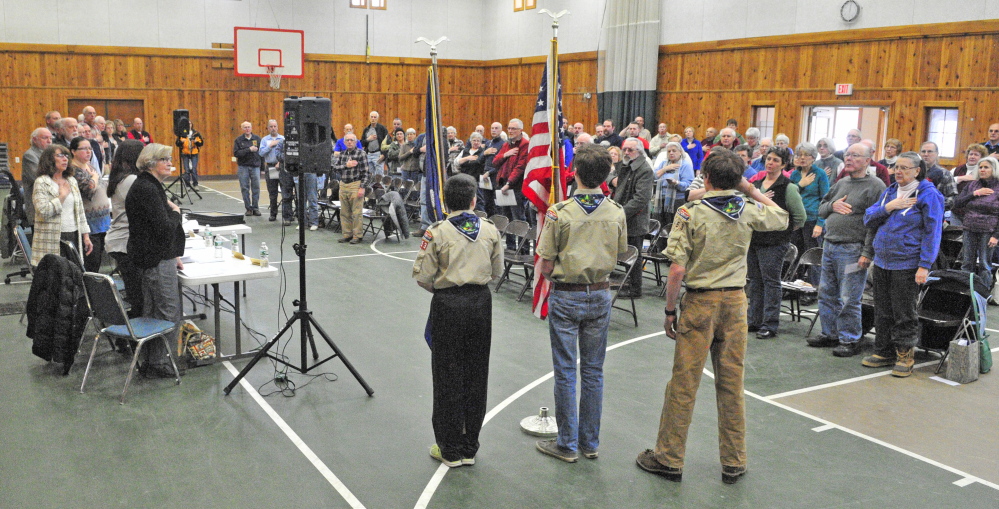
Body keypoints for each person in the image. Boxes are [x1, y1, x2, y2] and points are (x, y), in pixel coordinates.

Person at [635, 148, 788, 485]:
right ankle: (734, 461)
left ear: (705, 178)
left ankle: (669, 458)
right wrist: (750, 189)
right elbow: (781, 216)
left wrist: (669, 310)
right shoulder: (747, 208)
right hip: (735, 303)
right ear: (738, 179)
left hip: (700, 303)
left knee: (684, 382)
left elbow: (676, 270)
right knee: (732, 383)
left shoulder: (691, 212)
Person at [529, 145, 627, 463]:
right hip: (600, 293)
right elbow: (623, 251)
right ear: (607, 174)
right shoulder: (616, 211)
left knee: (566, 371)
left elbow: (544, 264)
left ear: (575, 173)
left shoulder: (561, 212)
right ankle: (589, 443)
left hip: (567, 294)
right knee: (594, 371)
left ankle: (567, 444)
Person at [412, 174, 503, 468]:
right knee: (477, 372)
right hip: (480, 303)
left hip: (448, 304)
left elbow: (424, 278)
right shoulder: (489, 230)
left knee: (447, 373)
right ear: (474, 200)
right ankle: (469, 446)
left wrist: (447, 288)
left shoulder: (437, 232)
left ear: (444, 201)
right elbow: (497, 271)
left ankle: (449, 448)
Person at [863, 151, 944, 377]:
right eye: (896, 167)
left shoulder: (928, 195)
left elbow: (933, 232)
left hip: (907, 262)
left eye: (904, 168)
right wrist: (889, 207)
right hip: (882, 261)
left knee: (904, 312)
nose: (898, 171)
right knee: (882, 310)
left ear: (917, 171)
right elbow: (868, 218)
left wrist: (924, 265)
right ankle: (883, 351)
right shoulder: (890, 192)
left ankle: (905, 354)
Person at [809, 143, 886, 356]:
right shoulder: (841, 182)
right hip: (830, 245)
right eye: (848, 155)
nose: (849, 158)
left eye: (855, 155)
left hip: (853, 250)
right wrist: (833, 206)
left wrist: (866, 253)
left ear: (869, 159)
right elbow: (822, 209)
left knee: (849, 297)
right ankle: (830, 333)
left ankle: (850, 339)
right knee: (826, 293)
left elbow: (876, 223)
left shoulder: (875, 186)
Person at [125, 144, 186, 378]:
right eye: (165, 159)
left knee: (154, 311)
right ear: (151, 163)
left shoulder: (148, 185)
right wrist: (175, 212)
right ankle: (160, 363)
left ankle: (153, 360)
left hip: (152, 257)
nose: (170, 163)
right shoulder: (147, 189)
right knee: (168, 311)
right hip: (156, 259)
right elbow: (163, 228)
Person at [746, 147, 806, 339]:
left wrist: (783, 232)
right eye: (768, 159)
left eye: (775, 160)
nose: (770, 162)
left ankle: (769, 324)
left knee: (771, 282)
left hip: (774, 243)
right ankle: (754, 320)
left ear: (783, 164)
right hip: (754, 239)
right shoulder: (755, 184)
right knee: (755, 281)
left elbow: (800, 218)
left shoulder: (788, 187)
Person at [30, 145, 92, 266]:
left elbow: (79, 211)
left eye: (66, 156)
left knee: (75, 276)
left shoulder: (71, 180)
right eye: (60, 155)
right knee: (57, 279)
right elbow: (43, 211)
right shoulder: (42, 182)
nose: (65, 159)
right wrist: (62, 197)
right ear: (49, 159)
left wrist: (86, 236)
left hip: (74, 235)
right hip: (52, 238)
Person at [105, 140, 146, 316]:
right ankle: (136, 335)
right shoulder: (131, 180)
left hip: (120, 240)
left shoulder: (121, 177)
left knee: (135, 293)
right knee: (139, 297)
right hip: (126, 242)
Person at [613, 138, 655, 298]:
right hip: (624, 216)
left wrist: (620, 213)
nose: (626, 152)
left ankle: (635, 289)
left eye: (630, 150)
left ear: (639, 152)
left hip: (635, 219)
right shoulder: (627, 166)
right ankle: (628, 283)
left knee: (635, 257)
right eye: (624, 149)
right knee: (626, 253)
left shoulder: (644, 169)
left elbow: (641, 199)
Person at [790, 142, 830, 289]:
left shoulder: (820, 174)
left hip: (813, 219)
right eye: (799, 155)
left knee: (812, 255)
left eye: (806, 155)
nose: (802, 158)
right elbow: (790, 195)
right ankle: (796, 284)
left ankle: (813, 287)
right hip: (797, 219)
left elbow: (826, 199)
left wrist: (820, 223)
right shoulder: (795, 174)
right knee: (796, 254)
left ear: (813, 157)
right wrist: (801, 184)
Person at [953, 156, 999, 285]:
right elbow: (957, 203)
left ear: (994, 169)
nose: (982, 170)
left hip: (988, 230)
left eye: (986, 167)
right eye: (980, 167)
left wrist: (996, 235)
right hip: (969, 228)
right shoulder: (972, 185)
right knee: (967, 262)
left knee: (985, 264)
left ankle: (982, 296)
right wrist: (975, 193)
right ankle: (966, 294)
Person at [69, 137, 111, 272]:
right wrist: (94, 178)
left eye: (90, 149)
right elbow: (89, 189)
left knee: (98, 258)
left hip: (102, 220)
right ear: (73, 151)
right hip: (89, 223)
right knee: (91, 262)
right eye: (84, 149)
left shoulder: (90, 166)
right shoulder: (73, 170)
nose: (88, 152)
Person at [493, 119, 530, 244]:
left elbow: (520, 167)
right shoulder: (506, 144)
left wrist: (509, 184)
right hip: (504, 185)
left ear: (521, 130)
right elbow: (495, 162)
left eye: (513, 128)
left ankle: (523, 248)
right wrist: (505, 155)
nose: (510, 131)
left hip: (516, 187)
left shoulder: (525, 144)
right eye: (509, 128)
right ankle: (510, 247)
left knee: (518, 219)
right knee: (506, 218)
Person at [331, 133, 369, 244]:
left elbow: (366, 172)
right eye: (347, 140)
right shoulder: (342, 154)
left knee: (356, 212)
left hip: (355, 184)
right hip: (343, 184)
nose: (349, 142)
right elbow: (335, 168)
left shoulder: (361, 154)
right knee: (344, 212)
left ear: (356, 142)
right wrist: (346, 166)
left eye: (351, 140)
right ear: (344, 142)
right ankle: (347, 234)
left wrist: (362, 187)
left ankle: (357, 236)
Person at [652, 141, 695, 231]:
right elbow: (652, 177)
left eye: (674, 150)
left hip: (677, 201)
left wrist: (676, 183)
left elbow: (689, 185)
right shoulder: (663, 164)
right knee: (659, 228)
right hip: (660, 200)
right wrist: (665, 169)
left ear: (680, 152)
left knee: (672, 228)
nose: (671, 153)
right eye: (669, 151)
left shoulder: (685, 165)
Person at [22, 127, 53, 230]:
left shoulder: (50, 154)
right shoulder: (30, 156)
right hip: (37, 206)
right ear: (34, 140)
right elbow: (39, 179)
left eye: (50, 138)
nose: (49, 141)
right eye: (45, 138)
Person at [259, 119, 288, 222]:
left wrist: (280, 162)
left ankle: (287, 215)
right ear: (268, 128)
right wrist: (270, 145)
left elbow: (286, 153)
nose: (273, 128)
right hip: (270, 167)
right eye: (271, 126)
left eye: (275, 126)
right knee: (272, 193)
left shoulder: (283, 139)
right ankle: (273, 214)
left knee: (286, 192)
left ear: (277, 127)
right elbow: (261, 153)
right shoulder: (264, 140)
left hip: (282, 167)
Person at [233, 121, 262, 216]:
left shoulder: (257, 139)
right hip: (243, 167)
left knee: (256, 188)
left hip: (255, 167)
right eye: (245, 127)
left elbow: (262, 154)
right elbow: (236, 153)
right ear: (242, 129)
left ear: (251, 128)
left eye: (249, 127)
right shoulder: (238, 140)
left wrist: (262, 168)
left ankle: (255, 207)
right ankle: (248, 208)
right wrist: (249, 149)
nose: (247, 129)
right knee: (245, 188)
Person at [361, 111, 388, 177]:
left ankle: (379, 187)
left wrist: (384, 154)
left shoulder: (382, 129)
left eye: (375, 117)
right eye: (371, 117)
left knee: (379, 175)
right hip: (369, 154)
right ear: (369, 118)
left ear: (377, 118)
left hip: (378, 154)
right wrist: (368, 139)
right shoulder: (366, 130)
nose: (373, 118)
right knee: (370, 176)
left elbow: (388, 143)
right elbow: (361, 143)